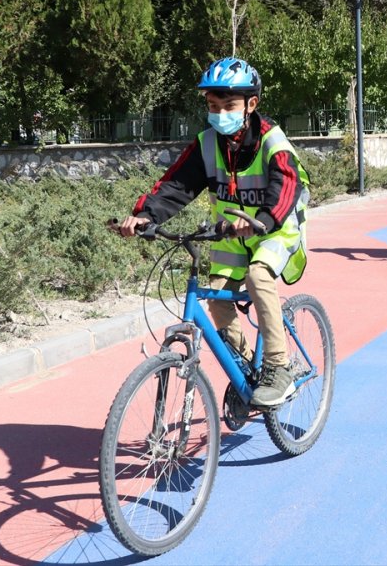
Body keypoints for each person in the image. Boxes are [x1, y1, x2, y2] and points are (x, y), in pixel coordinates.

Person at [119, 57, 309, 408]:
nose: (220, 112)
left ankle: (277, 368)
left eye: (229, 105)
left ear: (252, 104)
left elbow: (287, 184)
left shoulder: (272, 140)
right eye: (212, 105)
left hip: (274, 229)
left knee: (257, 276)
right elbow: (176, 185)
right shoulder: (207, 144)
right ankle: (245, 370)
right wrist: (146, 215)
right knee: (217, 295)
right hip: (230, 235)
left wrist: (264, 220)